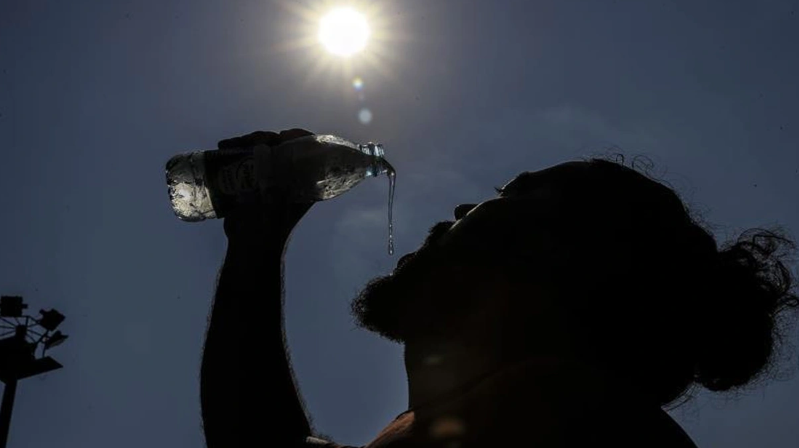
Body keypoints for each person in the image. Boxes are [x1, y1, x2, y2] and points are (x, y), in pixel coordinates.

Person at [198, 129, 799, 448]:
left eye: (513, 192)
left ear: (563, 254)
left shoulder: (578, 421)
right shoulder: (488, 419)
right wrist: (255, 243)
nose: (463, 205)